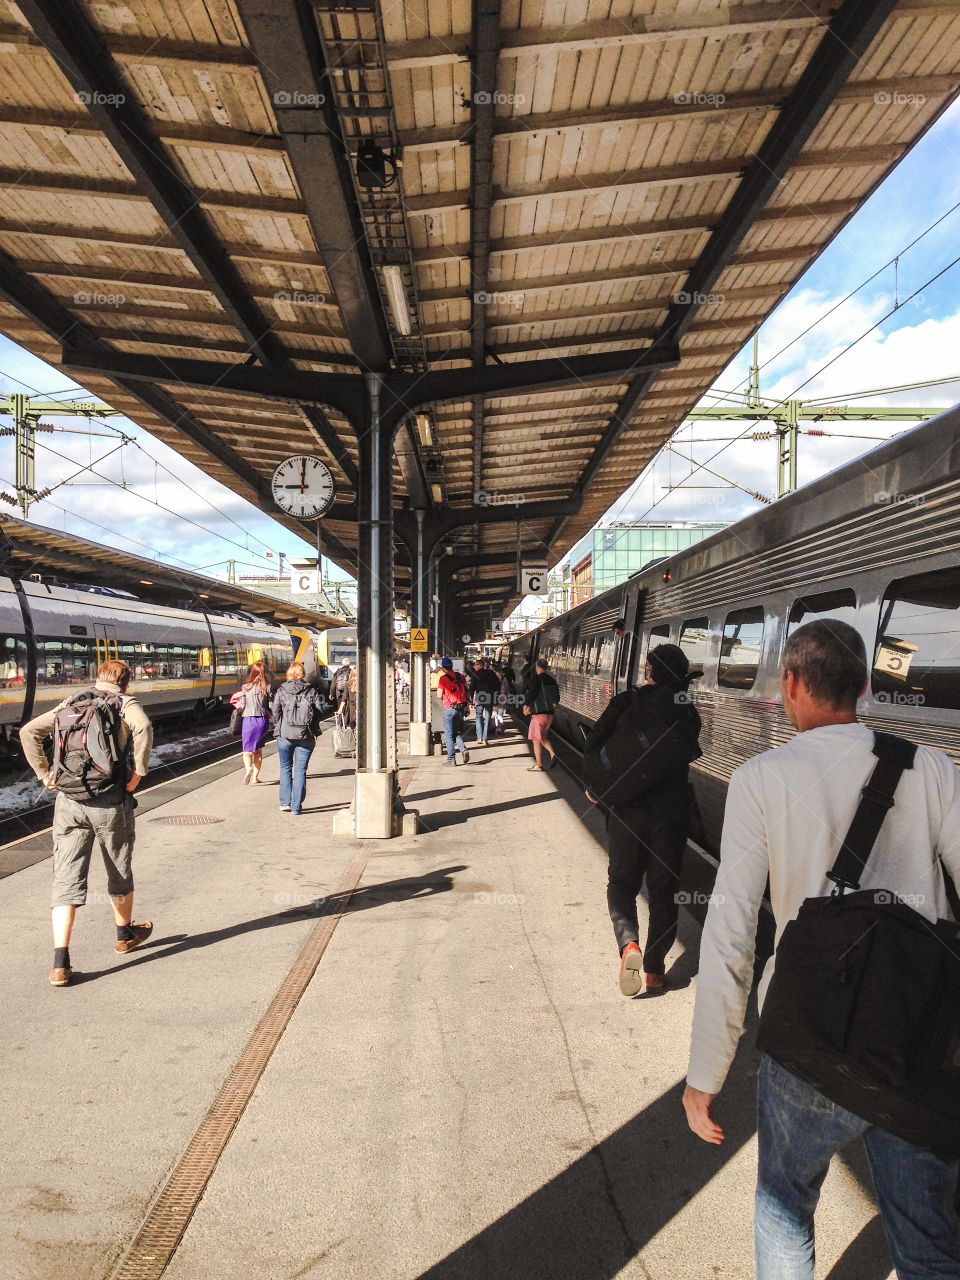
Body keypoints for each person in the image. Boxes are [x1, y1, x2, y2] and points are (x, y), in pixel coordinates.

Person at [683, 620, 960, 1279]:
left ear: (789, 685)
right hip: (914, 1037)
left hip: (808, 1035)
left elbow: (730, 931)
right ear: (864, 687)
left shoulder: (760, 779)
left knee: (785, 1206)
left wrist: (706, 1074)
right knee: (927, 1243)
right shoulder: (932, 767)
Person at [19, 658, 154, 988]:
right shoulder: (124, 703)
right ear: (126, 682)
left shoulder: (73, 701)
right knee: (118, 869)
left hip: (70, 802)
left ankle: (60, 962)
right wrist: (139, 771)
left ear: (98, 677)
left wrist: (44, 775)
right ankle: (124, 935)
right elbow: (144, 727)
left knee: (66, 878)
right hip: (110, 801)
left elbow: (28, 731)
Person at [584, 643, 701, 997]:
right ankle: (654, 970)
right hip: (671, 813)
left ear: (650, 671)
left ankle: (628, 944)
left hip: (628, 811)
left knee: (621, 882)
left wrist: (598, 787)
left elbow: (594, 747)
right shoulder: (687, 711)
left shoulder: (625, 701)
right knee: (664, 892)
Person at [271, 661, 323, 816]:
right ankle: (296, 807)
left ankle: (284, 802)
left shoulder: (281, 690)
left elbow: (275, 713)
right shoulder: (311, 690)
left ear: (289, 673)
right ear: (302, 674)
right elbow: (319, 711)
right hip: (305, 736)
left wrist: (281, 724)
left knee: (285, 768)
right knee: (300, 771)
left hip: (285, 736)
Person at [522, 658, 560, 771]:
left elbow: (532, 693)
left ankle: (543, 761)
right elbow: (557, 697)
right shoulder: (552, 680)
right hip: (549, 714)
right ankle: (546, 759)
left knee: (536, 739)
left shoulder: (537, 679)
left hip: (539, 713)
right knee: (541, 737)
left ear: (537, 666)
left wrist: (526, 705)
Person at [239, 658, 271, 785]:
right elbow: (269, 706)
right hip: (262, 720)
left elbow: (242, 705)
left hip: (248, 720)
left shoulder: (245, 687)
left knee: (246, 750)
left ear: (252, 673)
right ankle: (255, 778)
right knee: (258, 750)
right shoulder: (267, 688)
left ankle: (248, 769)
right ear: (264, 674)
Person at [437, 657, 470, 766]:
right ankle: (463, 750)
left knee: (449, 735)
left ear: (443, 667)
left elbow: (438, 695)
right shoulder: (460, 676)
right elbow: (467, 691)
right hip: (461, 708)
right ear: (451, 666)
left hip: (449, 709)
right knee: (456, 732)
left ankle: (451, 760)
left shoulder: (443, 679)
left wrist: (445, 696)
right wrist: (468, 707)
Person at [469, 657, 501, 746]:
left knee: (478, 717)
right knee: (487, 718)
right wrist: (496, 696)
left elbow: (471, 688)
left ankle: (479, 737)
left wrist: (470, 700)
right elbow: (498, 685)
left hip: (480, 698)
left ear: (480, 665)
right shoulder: (491, 673)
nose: (474, 666)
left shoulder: (475, 674)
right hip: (489, 698)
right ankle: (485, 739)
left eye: (475, 664)